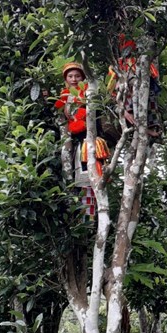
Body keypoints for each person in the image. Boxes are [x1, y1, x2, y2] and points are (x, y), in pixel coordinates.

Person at [55, 62, 110, 217]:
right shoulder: (65, 95)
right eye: (70, 76)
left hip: (90, 142)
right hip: (77, 144)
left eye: (77, 76)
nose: (74, 79)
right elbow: (58, 107)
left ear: (83, 78)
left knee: (92, 181)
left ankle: (92, 219)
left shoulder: (89, 93)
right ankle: (85, 219)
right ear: (66, 79)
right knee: (81, 183)